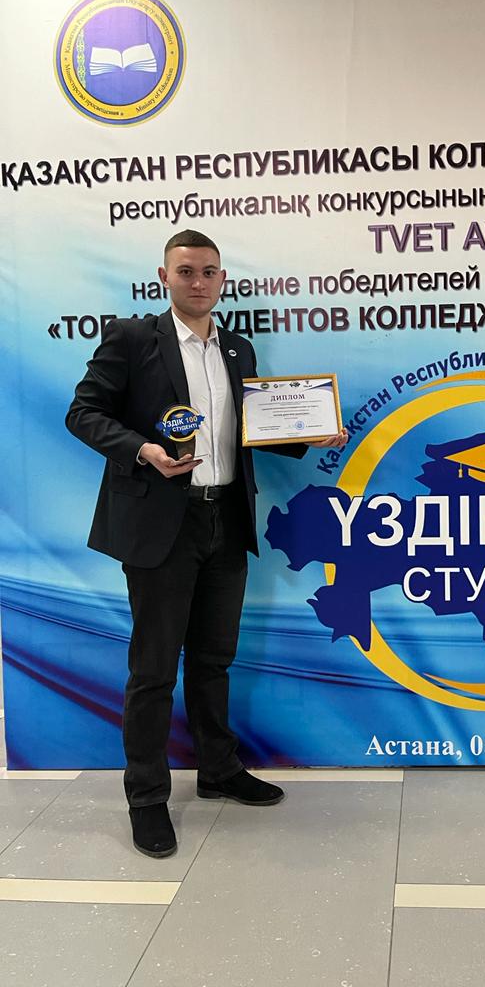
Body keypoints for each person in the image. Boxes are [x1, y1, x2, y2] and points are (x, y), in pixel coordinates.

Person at [66, 230, 347, 858]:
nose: (199, 282)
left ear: (223, 280)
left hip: (226, 518)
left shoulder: (237, 348)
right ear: (164, 277)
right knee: (153, 669)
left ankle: (218, 769)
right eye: (187, 271)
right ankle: (146, 798)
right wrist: (143, 450)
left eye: (210, 272)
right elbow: (83, 413)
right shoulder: (133, 338)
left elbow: (254, 428)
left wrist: (311, 433)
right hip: (162, 524)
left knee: (214, 658)